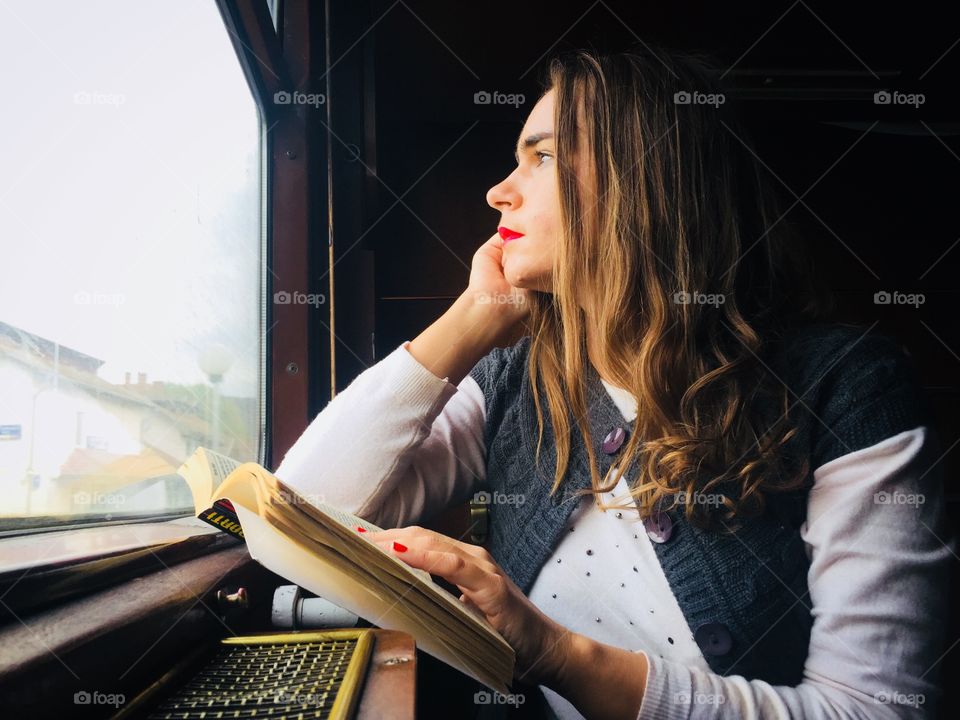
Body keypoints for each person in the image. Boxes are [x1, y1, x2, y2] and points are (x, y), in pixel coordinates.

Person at [276, 46, 954, 719]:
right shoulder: (518, 380)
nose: (498, 191)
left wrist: (555, 655)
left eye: (541, 157)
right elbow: (297, 511)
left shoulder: (847, 388)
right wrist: (472, 320)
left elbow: (877, 710)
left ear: (646, 181)